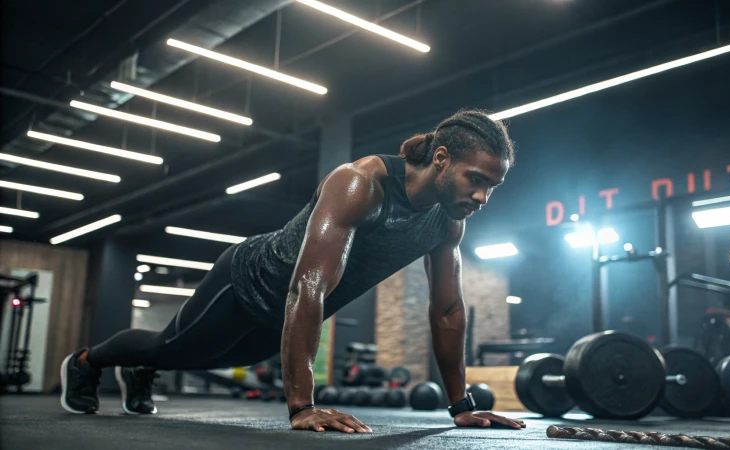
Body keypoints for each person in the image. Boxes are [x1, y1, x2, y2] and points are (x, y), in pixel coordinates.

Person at [60, 109, 526, 432]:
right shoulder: (362, 184)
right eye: (477, 179)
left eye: (494, 186)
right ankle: (85, 363)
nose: (483, 197)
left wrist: (461, 406)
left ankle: (145, 369)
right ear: (442, 159)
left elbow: (447, 310)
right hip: (248, 284)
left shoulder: (447, 222)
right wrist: (301, 406)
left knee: (201, 360)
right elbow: (309, 287)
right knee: (171, 347)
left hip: (286, 316)